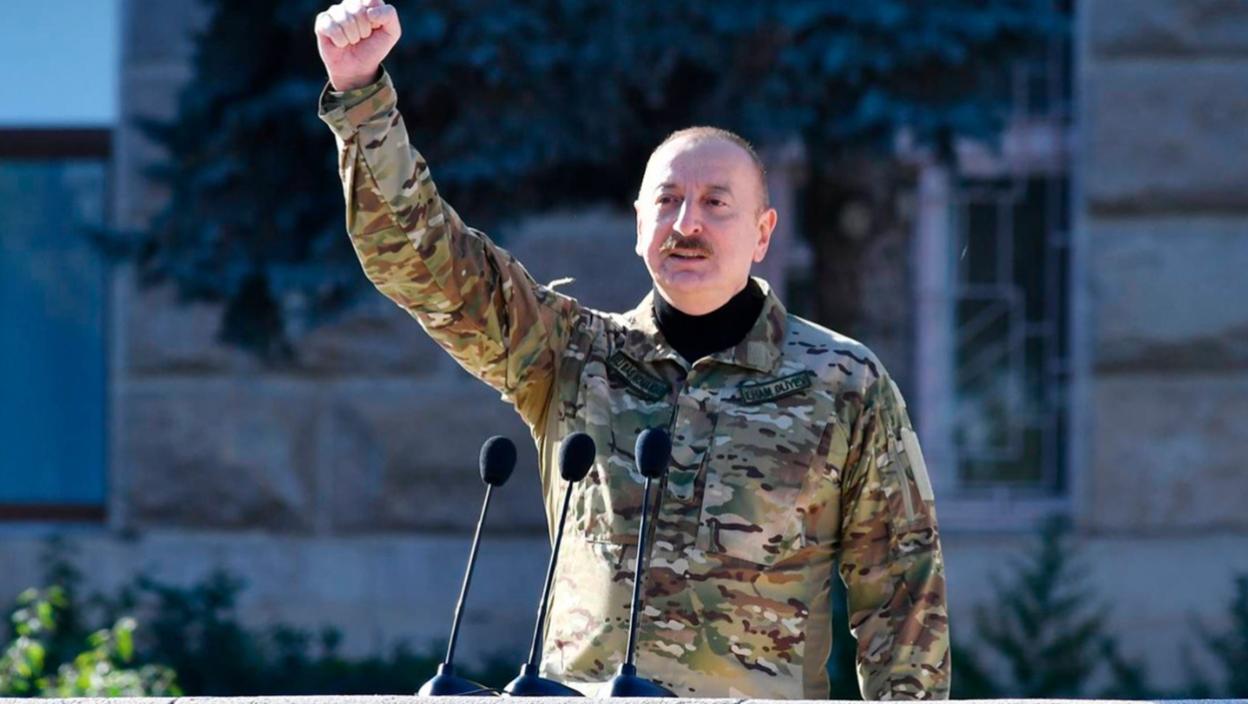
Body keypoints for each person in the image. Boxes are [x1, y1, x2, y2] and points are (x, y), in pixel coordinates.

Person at [315, 0, 949, 698]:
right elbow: (425, 261)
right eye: (668, 201)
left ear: (763, 233)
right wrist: (361, 96)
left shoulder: (842, 383)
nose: (687, 223)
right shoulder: (569, 354)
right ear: (639, 224)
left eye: (716, 203)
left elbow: (904, 595)